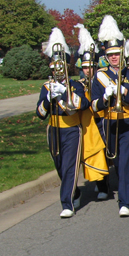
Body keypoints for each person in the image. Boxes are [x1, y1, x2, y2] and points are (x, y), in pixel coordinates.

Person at [36, 28, 93, 218]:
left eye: (61, 66)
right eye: (54, 67)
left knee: (69, 166)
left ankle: (67, 204)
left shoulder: (76, 85)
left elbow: (84, 104)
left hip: (71, 130)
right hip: (53, 129)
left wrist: (64, 93)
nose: (57, 70)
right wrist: (48, 99)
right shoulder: (46, 87)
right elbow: (40, 113)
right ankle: (74, 192)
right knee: (59, 166)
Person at [91, 15, 129, 217]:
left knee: (124, 161)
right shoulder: (99, 76)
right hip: (109, 121)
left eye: (117, 54)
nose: (114, 58)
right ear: (106, 55)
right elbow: (94, 106)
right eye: (111, 54)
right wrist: (106, 98)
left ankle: (124, 202)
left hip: (128, 121)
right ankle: (128, 190)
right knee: (116, 161)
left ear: (122, 54)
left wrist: (124, 93)